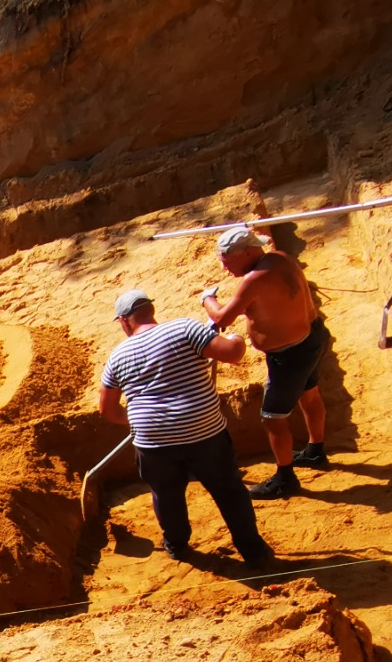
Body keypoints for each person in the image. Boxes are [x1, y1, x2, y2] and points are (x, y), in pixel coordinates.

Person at [98, 288, 275, 568]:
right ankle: (253, 551)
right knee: (229, 490)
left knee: (166, 494)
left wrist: (138, 420)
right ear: (150, 310)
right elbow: (232, 353)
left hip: (153, 441)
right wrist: (236, 338)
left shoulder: (117, 356)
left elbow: (107, 409)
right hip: (204, 432)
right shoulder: (185, 328)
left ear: (124, 321)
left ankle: (177, 545)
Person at [201, 225, 328, 499]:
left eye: (227, 261)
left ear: (247, 252)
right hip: (311, 338)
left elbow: (221, 319)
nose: (225, 269)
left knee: (272, 420)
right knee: (310, 395)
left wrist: (208, 299)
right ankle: (315, 451)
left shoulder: (254, 280)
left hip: (289, 356)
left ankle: (285, 479)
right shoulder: (281, 258)